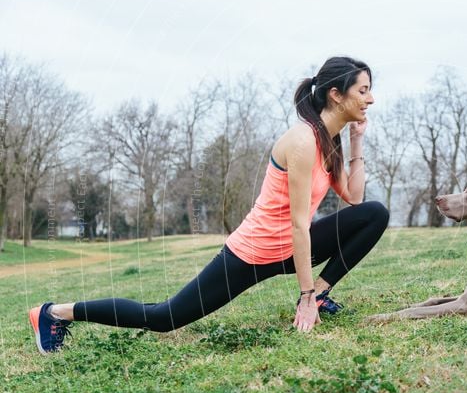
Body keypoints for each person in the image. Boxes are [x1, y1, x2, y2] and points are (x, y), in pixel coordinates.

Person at [28, 56, 389, 354]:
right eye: (363, 90)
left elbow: (354, 198)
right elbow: (298, 224)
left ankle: (323, 294)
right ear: (336, 94)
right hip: (252, 253)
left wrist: (356, 143)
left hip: (290, 249)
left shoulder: (331, 140)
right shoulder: (303, 141)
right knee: (164, 317)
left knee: (374, 214)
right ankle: (54, 313)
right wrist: (304, 295)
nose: (370, 98)